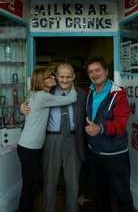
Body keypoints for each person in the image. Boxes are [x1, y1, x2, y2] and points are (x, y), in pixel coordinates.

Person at [21, 63, 86, 212]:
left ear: (74, 77)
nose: (64, 80)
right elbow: (30, 102)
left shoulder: (82, 93)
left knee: (73, 183)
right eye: (61, 76)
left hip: (73, 139)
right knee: (50, 182)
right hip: (51, 140)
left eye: (68, 77)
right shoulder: (47, 91)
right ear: (56, 77)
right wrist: (21, 108)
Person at [84, 56, 135, 212]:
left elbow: (120, 124)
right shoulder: (90, 92)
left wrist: (100, 128)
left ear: (106, 72)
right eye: (90, 71)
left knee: (122, 194)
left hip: (115, 154)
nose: (94, 74)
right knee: (99, 194)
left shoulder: (117, 94)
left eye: (97, 70)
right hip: (95, 151)